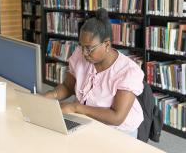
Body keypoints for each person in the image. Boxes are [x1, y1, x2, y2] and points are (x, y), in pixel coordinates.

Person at [44, 8, 144, 138]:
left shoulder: (128, 71)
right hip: (85, 121)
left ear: (107, 45)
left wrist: (76, 108)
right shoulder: (80, 55)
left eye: (89, 48)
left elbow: (117, 117)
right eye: (82, 46)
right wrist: (50, 96)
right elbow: (68, 87)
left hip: (118, 132)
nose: (84, 53)